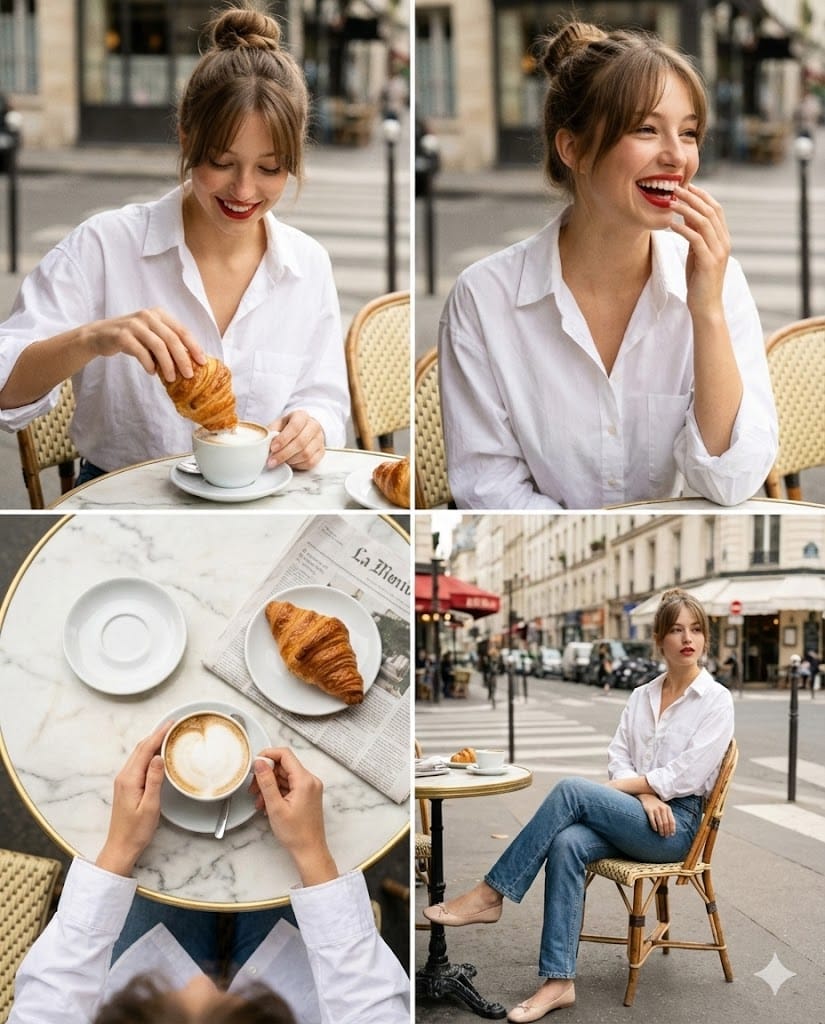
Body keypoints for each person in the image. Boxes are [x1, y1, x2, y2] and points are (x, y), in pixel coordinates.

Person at [0, 3, 349, 483]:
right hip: (117, 500)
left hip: (260, 501)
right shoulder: (104, 246)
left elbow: (324, 398)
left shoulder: (308, 265)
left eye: (270, 169)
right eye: (222, 162)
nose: (244, 191)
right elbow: (5, 389)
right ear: (186, 139)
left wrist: (313, 428)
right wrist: (93, 338)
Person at [438, 21, 777, 509]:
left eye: (688, 133)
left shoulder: (717, 279)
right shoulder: (483, 299)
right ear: (572, 148)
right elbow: (488, 488)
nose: (677, 156)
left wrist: (708, 312)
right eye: (645, 129)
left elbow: (730, 482)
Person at [423, 588, 733, 1021]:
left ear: (705, 638)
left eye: (696, 630)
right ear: (659, 639)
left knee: (570, 790)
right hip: (640, 811)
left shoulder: (716, 700)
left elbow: (687, 775)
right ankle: (559, 981)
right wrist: (643, 794)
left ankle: (490, 894)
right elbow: (618, 758)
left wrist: (647, 791)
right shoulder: (642, 695)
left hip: (676, 827)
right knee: (567, 841)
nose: (688, 638)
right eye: (677, 629)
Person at [9, 722, 410, 1024]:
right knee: (264, 875)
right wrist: (310, 850)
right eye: (225, 999)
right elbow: (371, 1004)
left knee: (172, 881)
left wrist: (119, 850)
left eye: (173, 994)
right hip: (303, 987)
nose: (200, 977)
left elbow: (48, 1003)